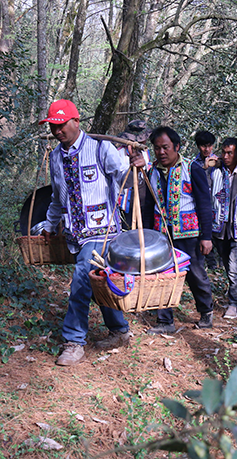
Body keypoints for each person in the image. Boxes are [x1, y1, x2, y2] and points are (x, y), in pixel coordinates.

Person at [41, 100, 144, 366]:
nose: (57, 131)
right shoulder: (55, 157)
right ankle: (120, 331)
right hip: (75, 234)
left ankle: (74, 341)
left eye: (61, 125)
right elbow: (57, 197)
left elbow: (124, 178)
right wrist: (51, 225)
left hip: (103, 231)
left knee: (81, 279)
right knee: (99, 281)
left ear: (76, 121)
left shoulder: (100, 148)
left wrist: (138, 166)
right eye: (53, 126)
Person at [143, 126, 215, 333]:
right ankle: (165, 321)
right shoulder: (152, 172)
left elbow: (204, 204)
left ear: (177, 147)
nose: (161, 152)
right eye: (157, 148)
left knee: (195, 273)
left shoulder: (192, 169)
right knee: (162, 275)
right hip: (161, 235)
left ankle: (206, 312)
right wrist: (148, 235)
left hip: (189, 233)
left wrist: (206, 237)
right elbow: (149, 207)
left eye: (165, 147)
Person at [209, 137, 237, 319]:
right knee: (227, 264)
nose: (225, 157)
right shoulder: (215, 172)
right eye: (223, 152)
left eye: (230, 153)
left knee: (234, 266)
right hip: (219, 227)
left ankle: (233, 303)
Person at [194, 130, 219, 269]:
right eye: (203, 146)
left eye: (209, 146)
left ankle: (216, 261)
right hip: (203, 203)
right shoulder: (194, 164)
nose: (207, 149)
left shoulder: (219, 161)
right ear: (198, 146)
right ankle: (208, 261)